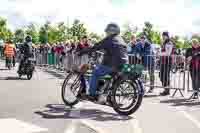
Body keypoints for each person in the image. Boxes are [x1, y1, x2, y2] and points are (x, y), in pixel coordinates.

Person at [78, 23, 128, 100]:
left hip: (112, 64)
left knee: (95, 72)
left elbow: (96, 46)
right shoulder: (121, 39)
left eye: (107, 32)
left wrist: (82, 52)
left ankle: (92, 94)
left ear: (111, 32)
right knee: (110, 76)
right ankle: (108, 97)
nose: (106, 33)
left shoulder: (109, 39)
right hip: (123, 64)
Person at [159, 32, 174, 96]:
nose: (163, 37)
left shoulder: (169, 43)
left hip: (167, 61)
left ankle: (167, 90)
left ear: (167, 36)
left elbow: (168, 53)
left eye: (164, 36)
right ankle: (166, 88)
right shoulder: (164, 43)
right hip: (163, 61)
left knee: (165, 76)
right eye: (163, 36)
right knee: (161, 75)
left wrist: (159, 54)